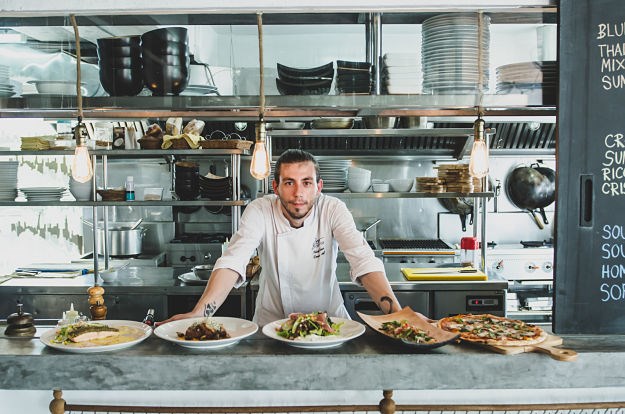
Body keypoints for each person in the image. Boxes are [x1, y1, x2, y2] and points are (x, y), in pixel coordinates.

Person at [159, 149, 401, 327]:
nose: (298, 193)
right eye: (289, 183)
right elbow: (233, 259)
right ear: (275, 187)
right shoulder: (260, 209)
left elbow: (363, 259)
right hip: (271, 326)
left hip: (330, 324)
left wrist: (398, 316)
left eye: (306, 183)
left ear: (319, 187)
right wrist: (201, 313)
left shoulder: (333, 209)